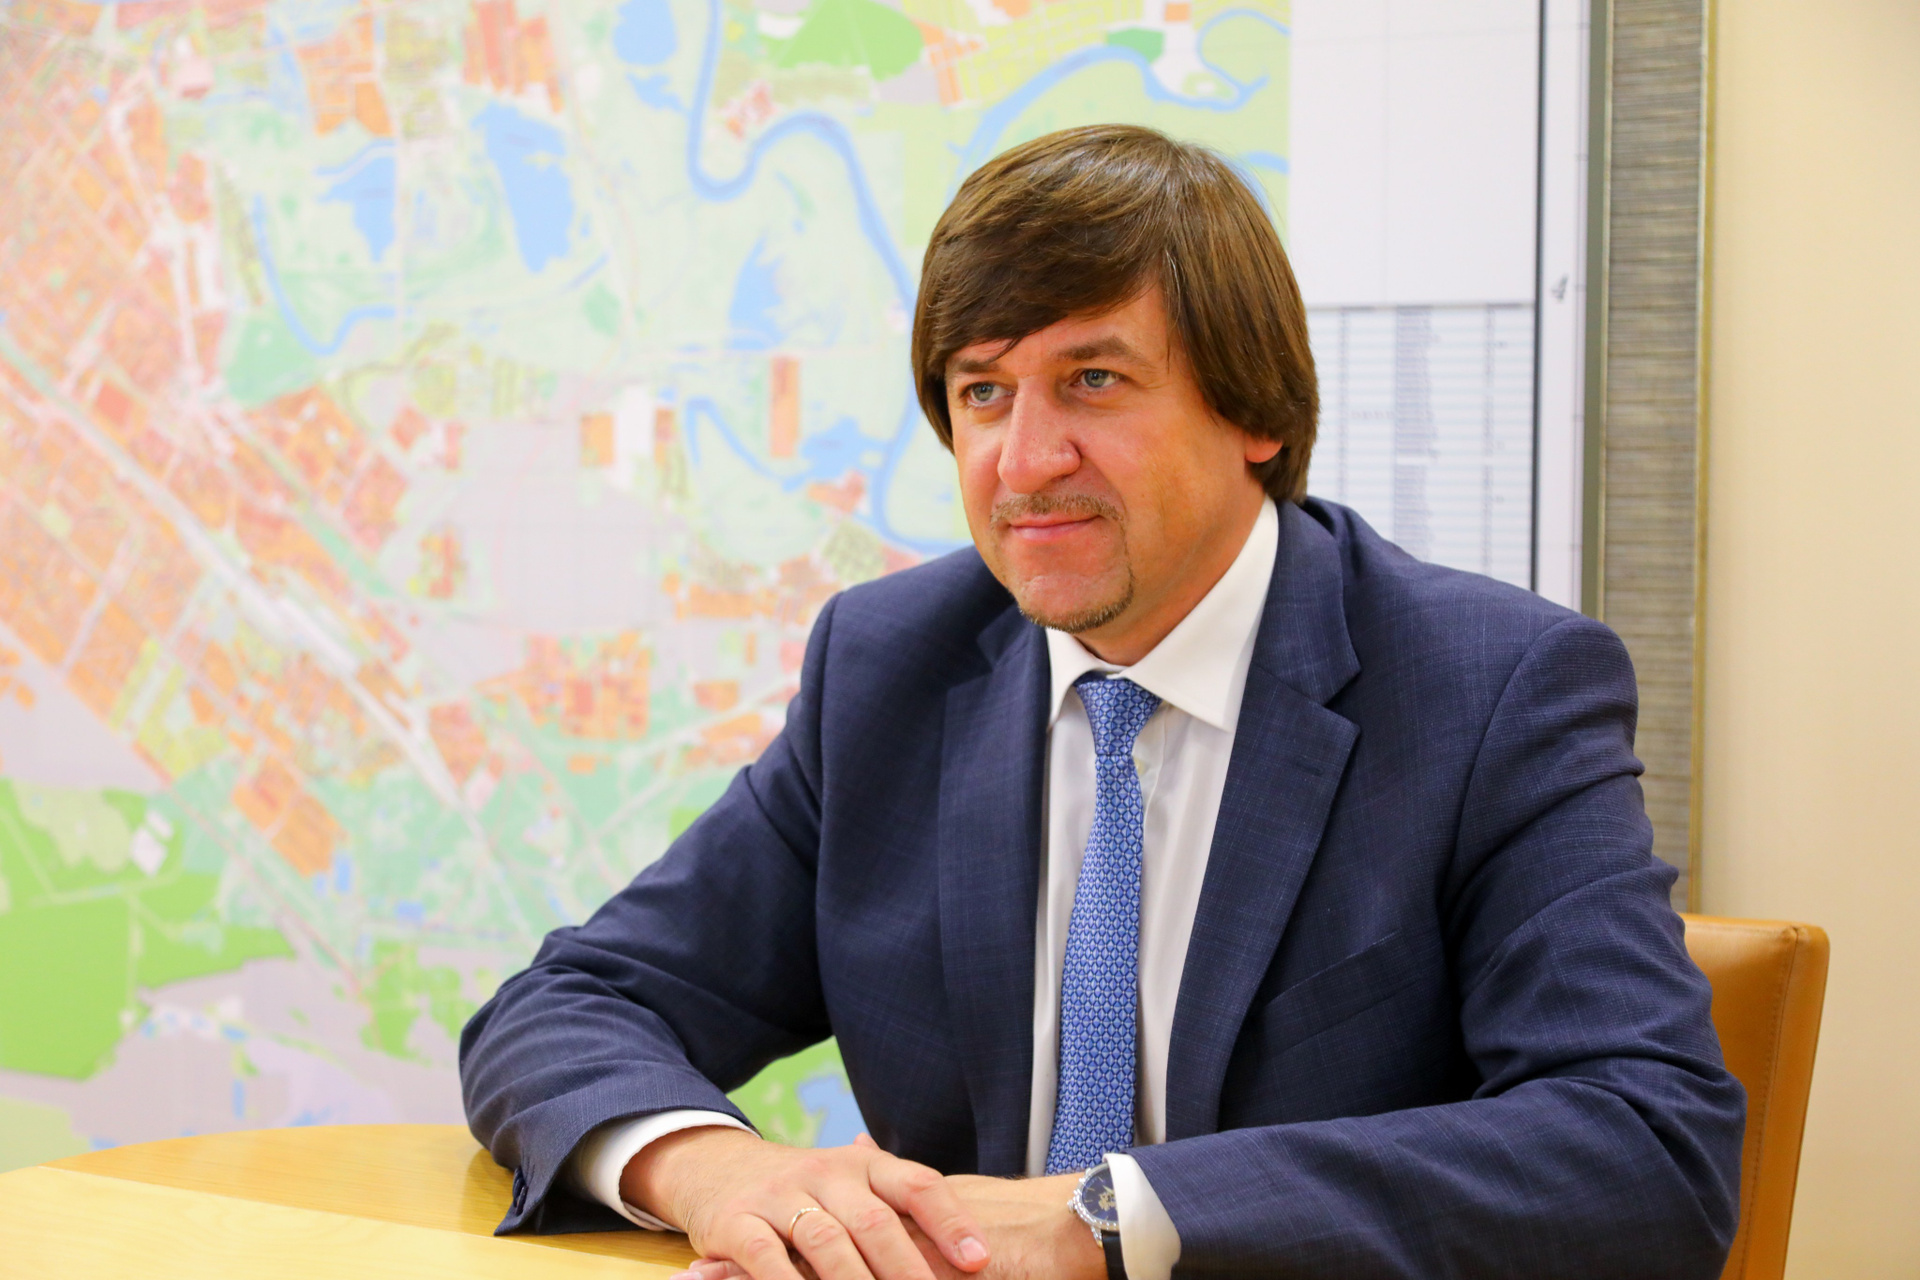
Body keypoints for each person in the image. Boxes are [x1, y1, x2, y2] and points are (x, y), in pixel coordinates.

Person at [460, 125, 1744, 1280]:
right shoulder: (889, 668)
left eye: (1093, 380)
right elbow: (567, 1006)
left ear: (1254, 410)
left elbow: (1644, 1144)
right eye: (983, 391)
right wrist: (720, 1170)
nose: (1024, 462)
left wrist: (1103, 1219)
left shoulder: (1491, 688)